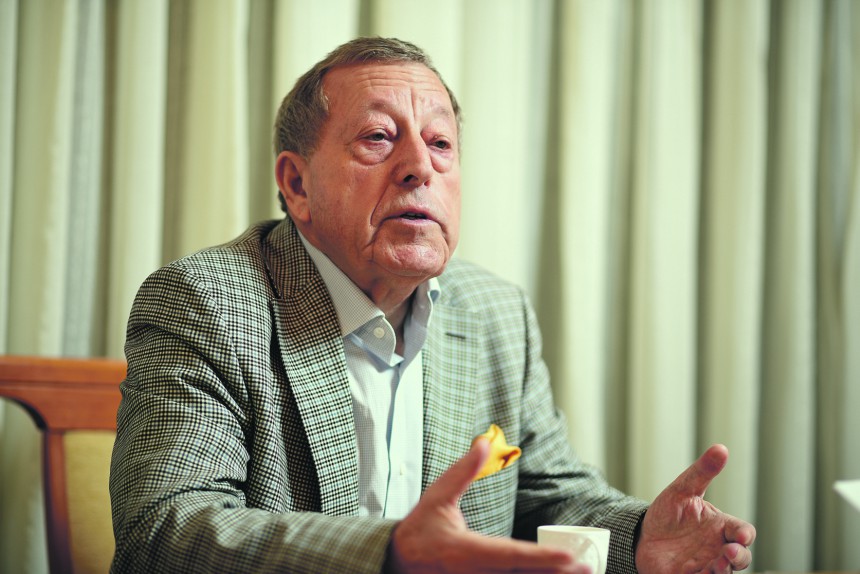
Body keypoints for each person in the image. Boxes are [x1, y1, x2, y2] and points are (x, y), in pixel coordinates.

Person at [109, 37, 755, 573]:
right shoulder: (206, 302)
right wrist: (388, 553)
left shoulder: (495, 313)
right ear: (297, 184)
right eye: (378, 137)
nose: (419, 166)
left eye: (440, 144)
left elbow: (546, 500)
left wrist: (638, 539)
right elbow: (165, 530)